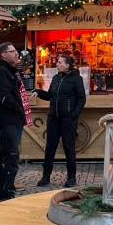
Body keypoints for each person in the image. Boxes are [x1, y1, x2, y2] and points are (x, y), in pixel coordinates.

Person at [34, 53, 86, 188]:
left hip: (67, 119)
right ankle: (46, 177)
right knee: (50, 148)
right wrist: (39, 92)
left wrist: (73, 115)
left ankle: (71, 178)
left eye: (60, 62)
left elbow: (81, 98)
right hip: (53, 118)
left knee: (69, 148)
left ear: (67, 65)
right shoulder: (56, 78)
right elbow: (50, 95)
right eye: (57, 62)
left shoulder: (76, 79)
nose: (57, 64)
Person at [0, 42, 32, 201]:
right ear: (3, 55)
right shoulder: (2, 71)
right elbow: (6, 97)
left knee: (5, 157)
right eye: (12, 51)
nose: (16, 53)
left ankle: (2, 190)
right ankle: (4, 192)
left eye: (16, 50)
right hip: (7, 122)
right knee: (9, 157)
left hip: (10, 121)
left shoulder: (9, 71)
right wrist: (20, 110)